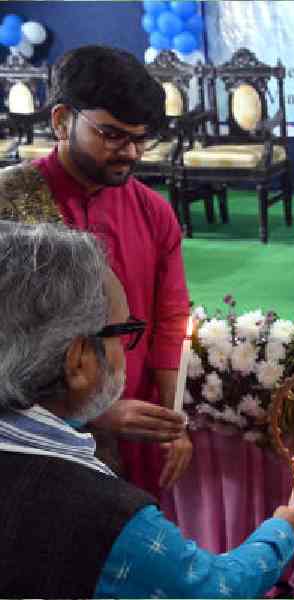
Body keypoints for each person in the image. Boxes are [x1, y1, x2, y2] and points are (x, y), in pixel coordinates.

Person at [0, 222, 294, 598]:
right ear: (78, 361)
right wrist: (280, 535)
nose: (125, 349)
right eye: (123, 330)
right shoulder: (106, 516)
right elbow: (213, 590)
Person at [0, 45, 190, 498]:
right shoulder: (9, 205)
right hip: (30, 449)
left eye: (141, 139)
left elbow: (170, 321)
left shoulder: (153, 211)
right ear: (62, 120)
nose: (130, 153)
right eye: (111, 135)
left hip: (136, 431)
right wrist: (94, 413)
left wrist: (173, 420)